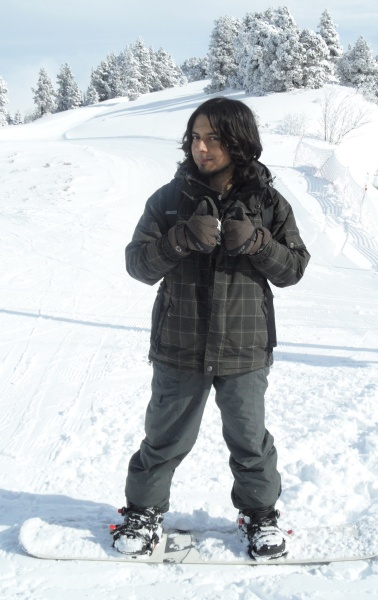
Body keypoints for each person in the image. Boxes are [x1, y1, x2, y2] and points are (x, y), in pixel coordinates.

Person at [111, 97, 310, 560]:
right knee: (164, 438)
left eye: (213, 138)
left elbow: (294, 268)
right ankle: (142, 511)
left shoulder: (269, 203)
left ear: (238, 141)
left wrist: (259, 244)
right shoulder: (168, 200)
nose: (201, 147)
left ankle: (260, 515)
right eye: (196, 137)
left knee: (249, 440)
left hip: (244, 346)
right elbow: (137, 264)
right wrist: (179, 238)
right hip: (179, 345)